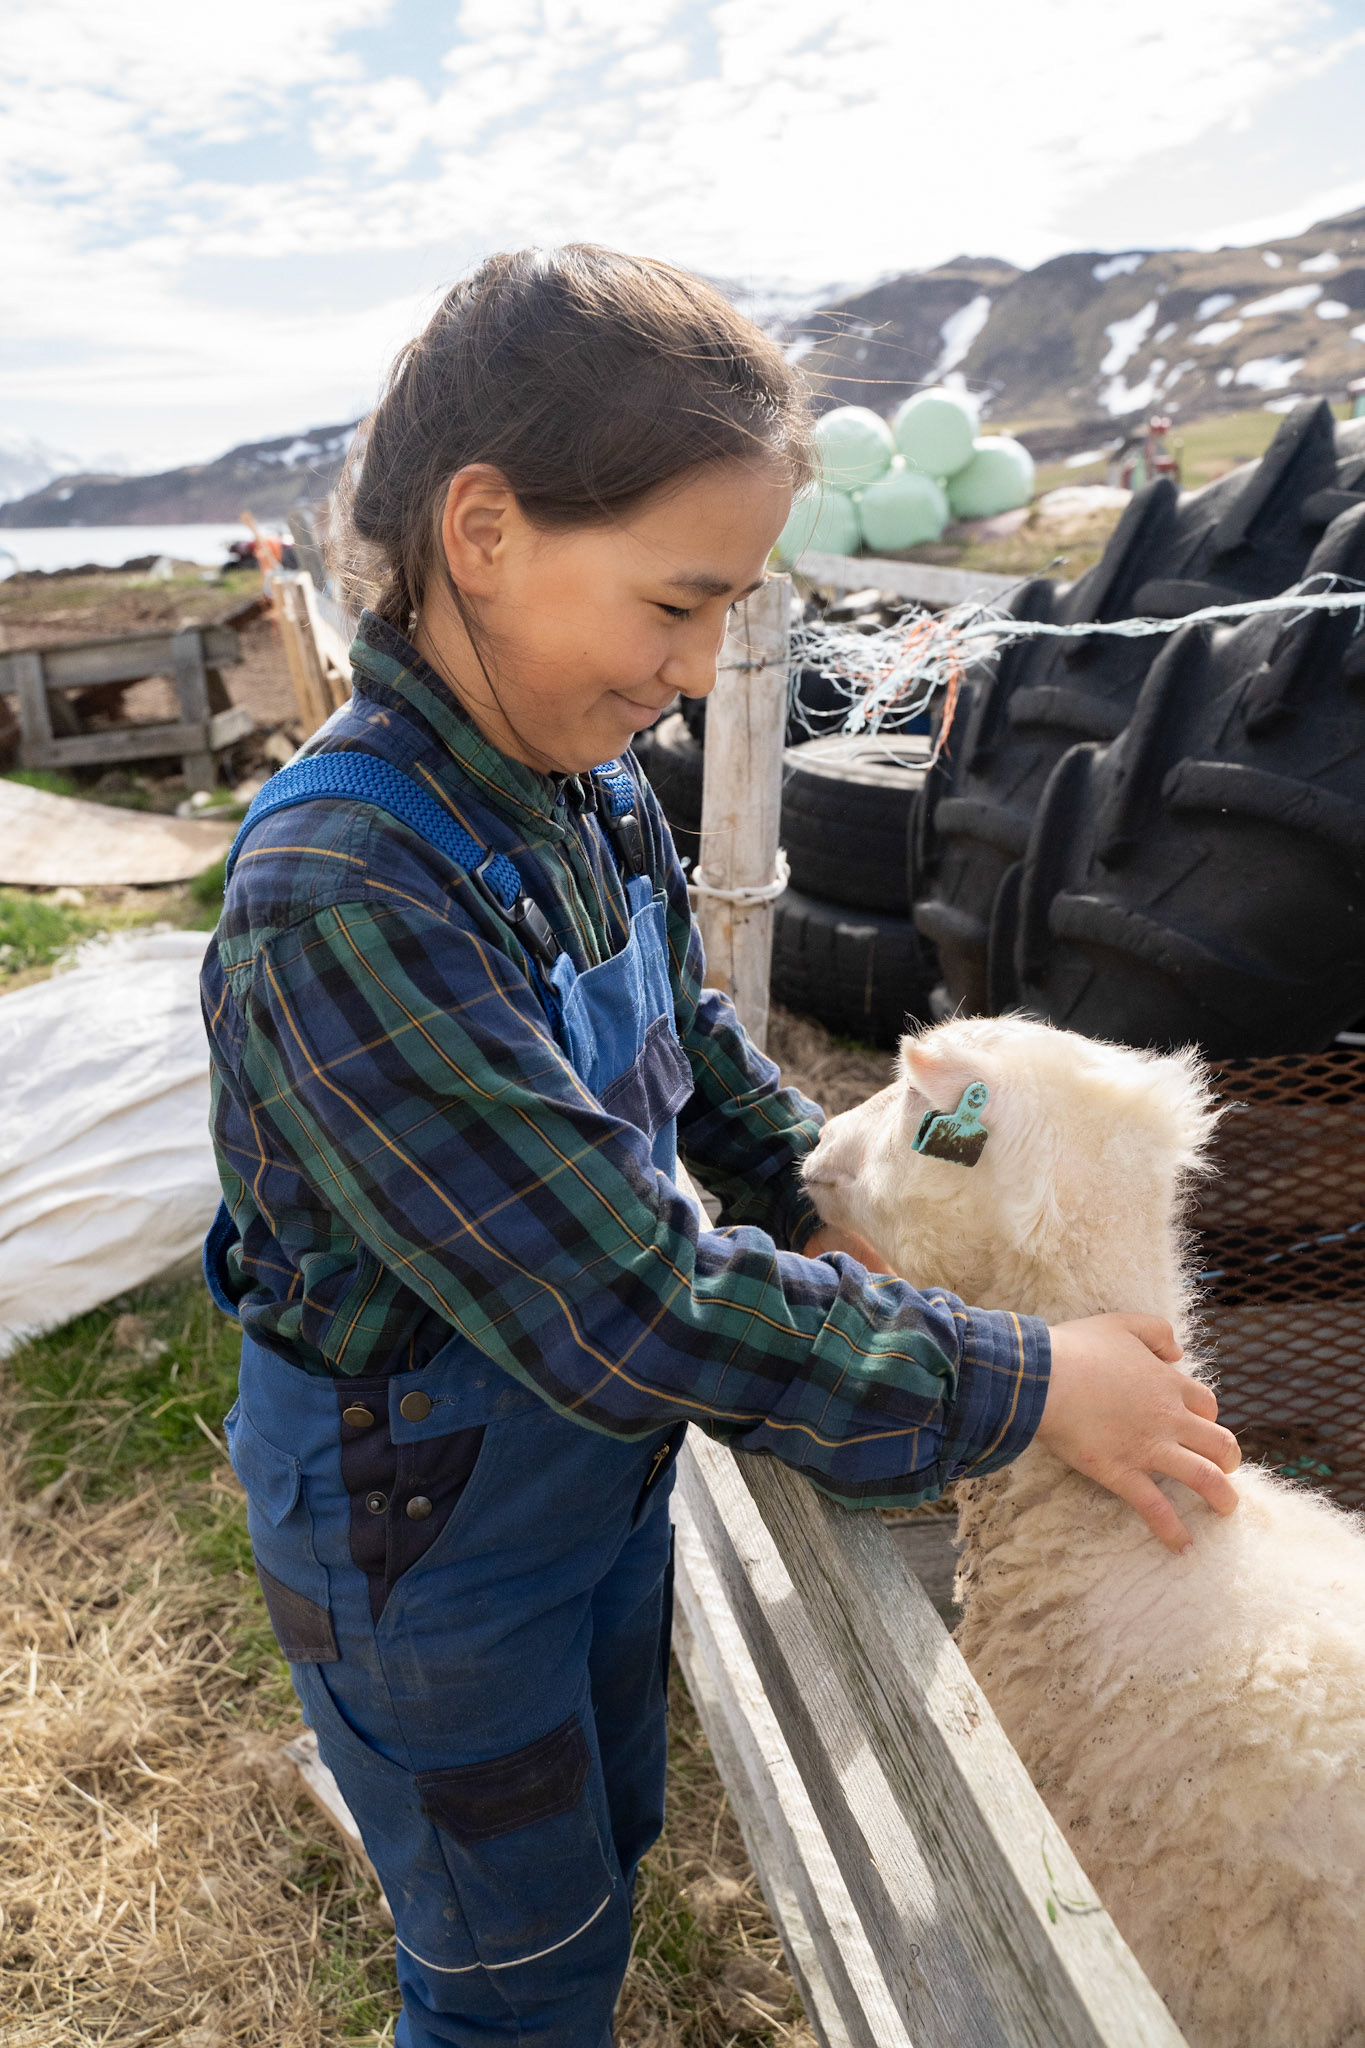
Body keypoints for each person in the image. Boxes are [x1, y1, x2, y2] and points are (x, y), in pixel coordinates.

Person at [201, 245, 1240, 2048]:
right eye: (674, 605)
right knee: (505, 1976)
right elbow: (620, 1296)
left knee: (595, 1839)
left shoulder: (582, 793)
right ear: (484, 531)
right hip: (419, 1525)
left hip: (577, 1471)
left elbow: (693, 1060)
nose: (690, 677)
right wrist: (1016, 1378)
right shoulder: (347, 894)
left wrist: (814, 1204)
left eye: (727, 615)